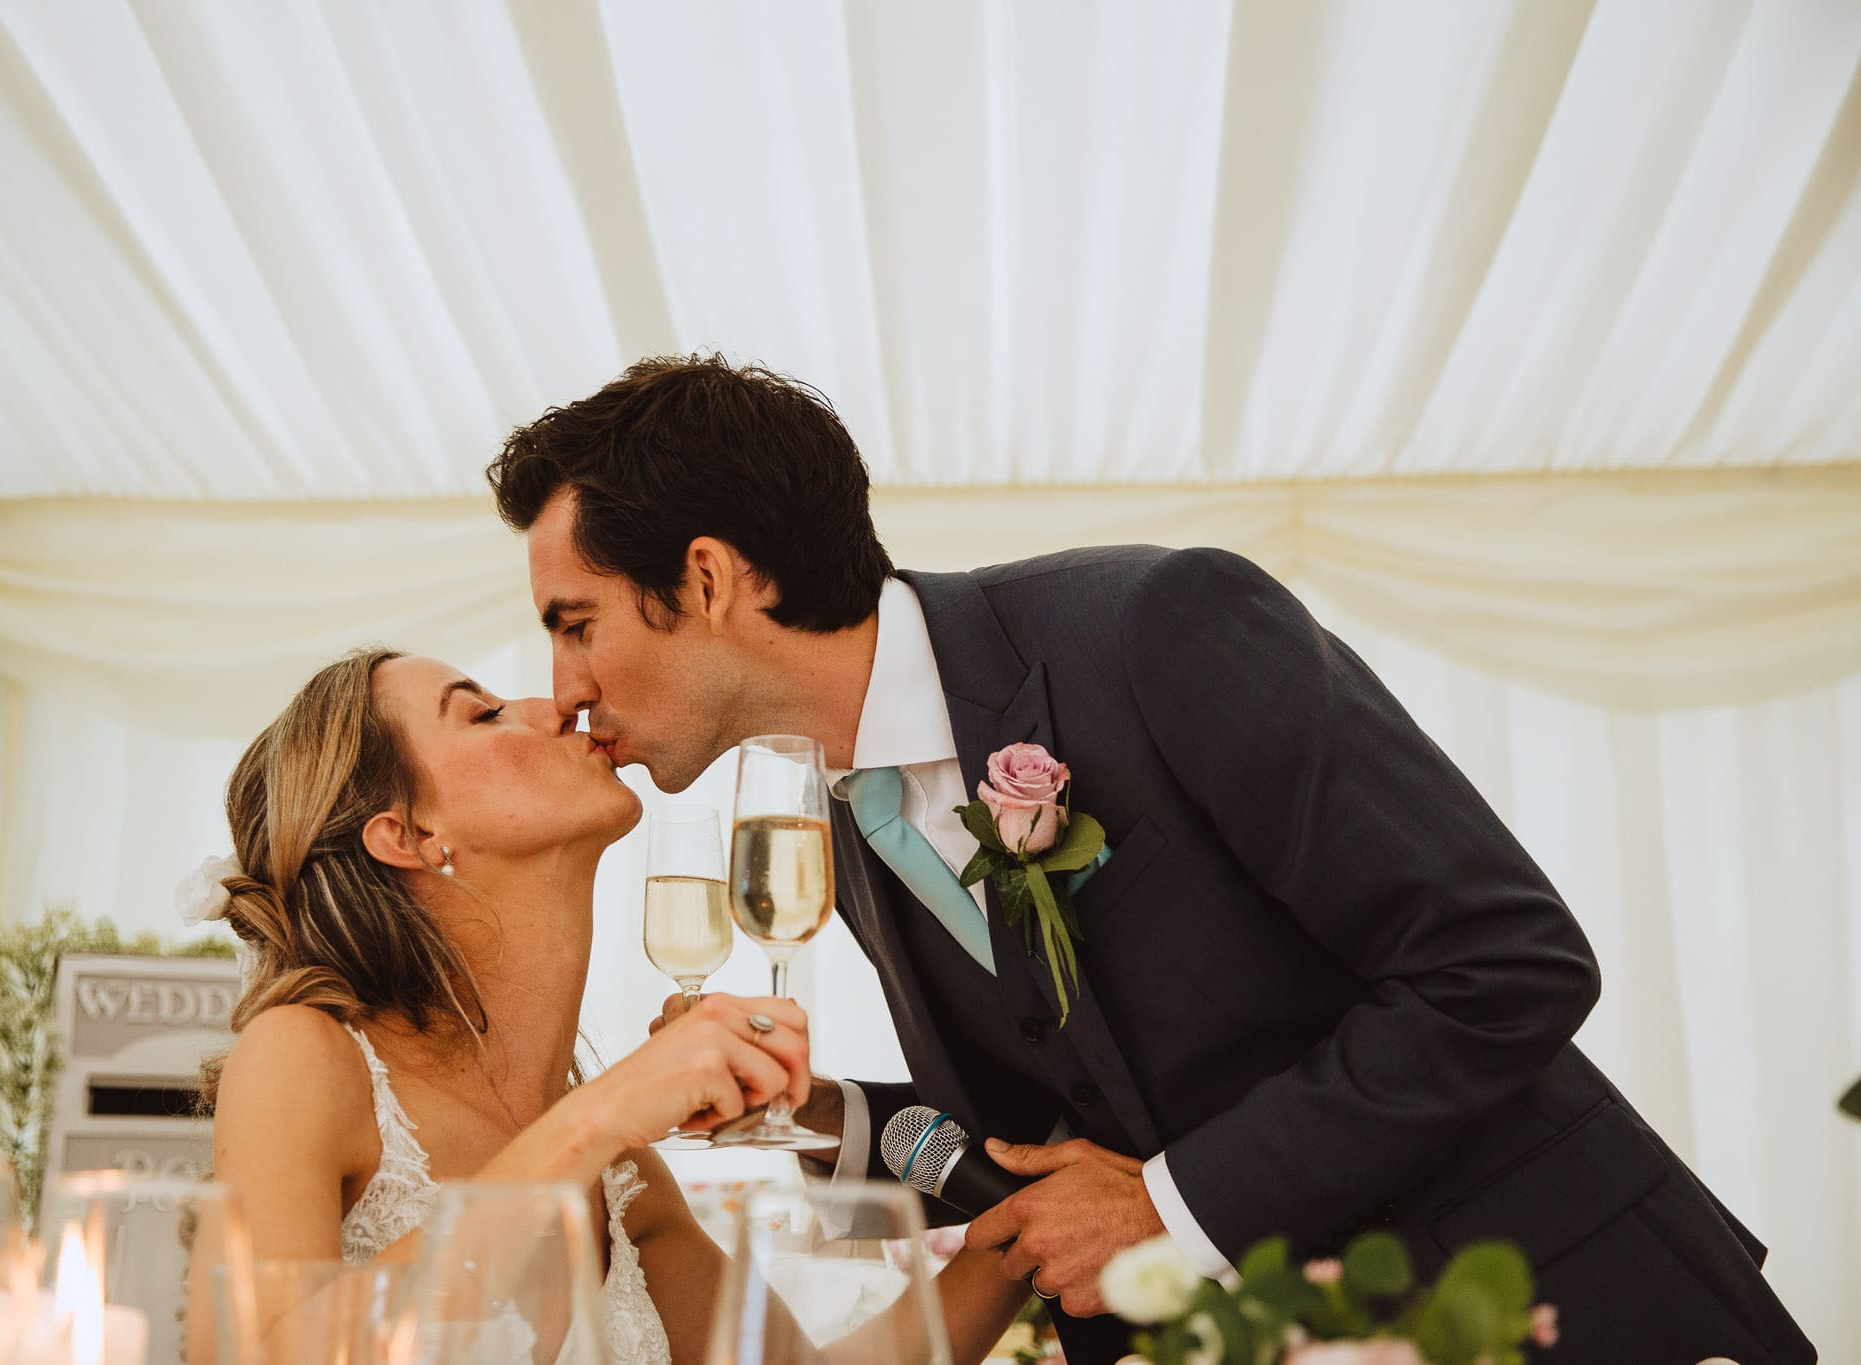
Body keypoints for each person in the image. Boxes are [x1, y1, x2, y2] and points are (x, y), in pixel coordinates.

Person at [487, 355, 1816, 1364]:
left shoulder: (1151, 627)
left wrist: (1177, 1204)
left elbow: (1505, 962)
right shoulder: (838, 811)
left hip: (1557, 1305)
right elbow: (1057, 1136)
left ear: (712, 578)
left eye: (575, 621)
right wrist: (829, 1112)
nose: (564, 686)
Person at [198, 648, 1032, 1363]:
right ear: (408, 835)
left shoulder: (623, 1174)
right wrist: (603, 1112)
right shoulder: (304, 1054)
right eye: (484, 713)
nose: (555, 704)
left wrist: (1025, 1233)